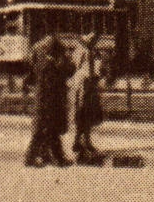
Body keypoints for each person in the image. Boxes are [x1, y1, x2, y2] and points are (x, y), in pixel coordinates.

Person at [24, 36, 72, 167]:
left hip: (44, 102)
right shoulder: (49, 65)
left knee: (49, 132)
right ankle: (32, 159)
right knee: (43, 132)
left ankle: (55, 158)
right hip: (47, 103)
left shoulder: (42, 61)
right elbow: (55, 82)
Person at [69, 35, 105, 165]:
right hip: (82, 85)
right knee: (81, 113)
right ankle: (77, 142)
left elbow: (98, 68)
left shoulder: (93, 51)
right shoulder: (81, 50)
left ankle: (86, 142)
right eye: (92, 40)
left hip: (90, 85)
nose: (94, 42)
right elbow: (75, 67)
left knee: (89, 114)